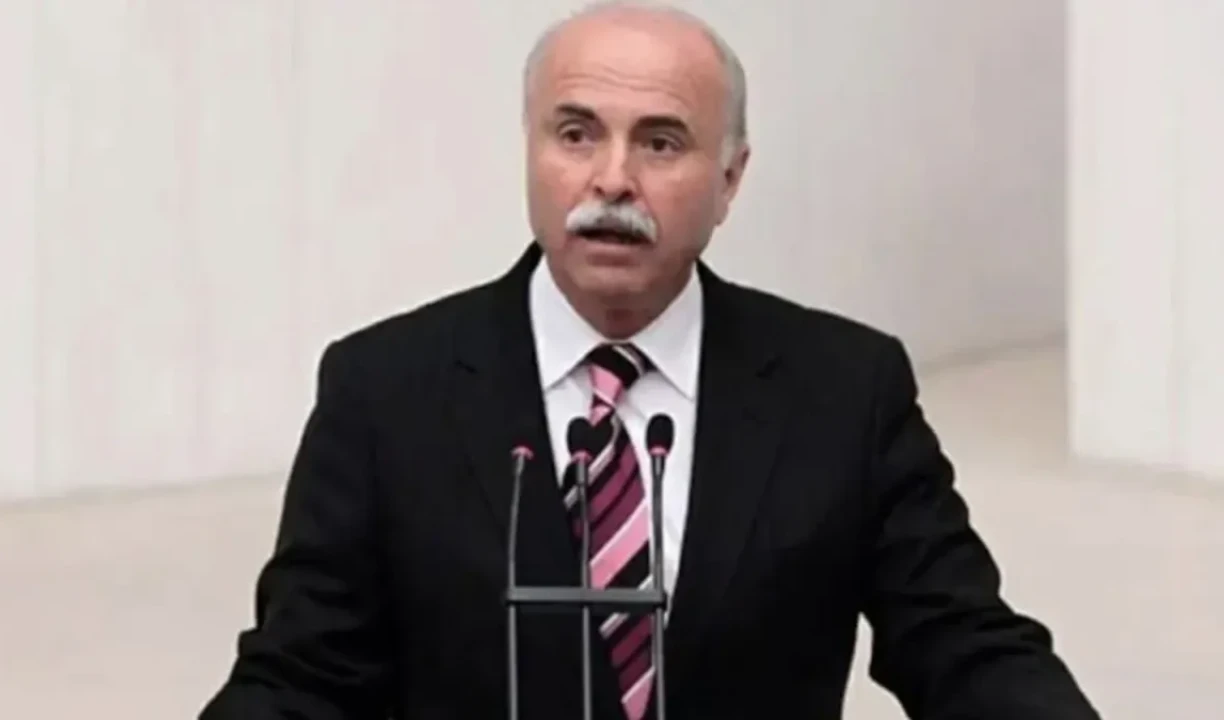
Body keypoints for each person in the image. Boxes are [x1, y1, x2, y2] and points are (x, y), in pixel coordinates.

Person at [201, 2, 1100, 718]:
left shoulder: (845, 389)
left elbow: (962, 643)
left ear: (730, 179)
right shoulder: (383, 391)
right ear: (531, 151)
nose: (612, 179)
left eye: (661, 142)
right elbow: (302, 678)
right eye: (576, 133)